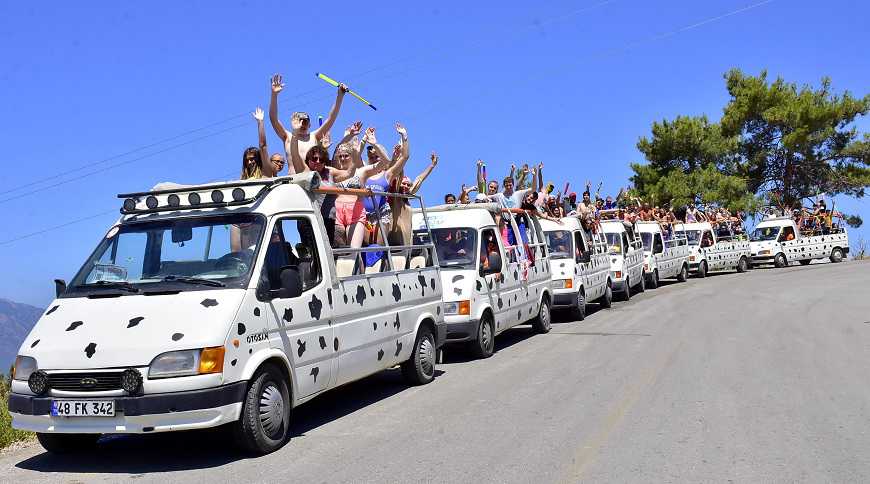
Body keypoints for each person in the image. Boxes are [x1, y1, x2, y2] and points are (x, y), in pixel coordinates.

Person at [269, 73, 348, 165]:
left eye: (305, 122)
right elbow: (273, 119)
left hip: (312, 174)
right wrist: (274, 95)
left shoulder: (314, 136)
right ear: (293, 122)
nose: (302, 124)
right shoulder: (287, 136)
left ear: (310, 125)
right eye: (299, 121)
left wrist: (340, 96)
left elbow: (331, 119)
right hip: (294, 174)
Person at [388, 152, 439, 246]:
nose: (406, 186)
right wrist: (397, 159)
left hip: (407, 241)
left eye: (408, 185)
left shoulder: (407, 195)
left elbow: (420, 179)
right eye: (404, 184)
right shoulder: (395, 196)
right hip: (395, 240)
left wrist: (432, 165)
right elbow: (394, 175)